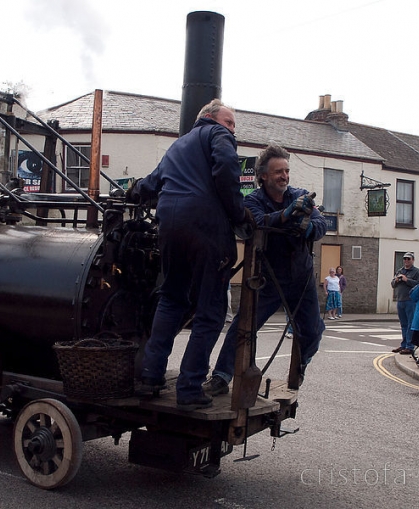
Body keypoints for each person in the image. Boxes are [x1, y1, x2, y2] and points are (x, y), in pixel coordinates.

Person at [129, 98, 249, 411]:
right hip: (205, 226)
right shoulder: (217, 136)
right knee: (210, 308)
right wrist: (238, 215)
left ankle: (150, 376)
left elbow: (150, 184)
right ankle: (190, 387)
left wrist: (132, 190)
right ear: (209, 117)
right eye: (229, 121)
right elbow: (226, 168)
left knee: (171, 298)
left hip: (170, 225)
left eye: (234, 125)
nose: (232, 130)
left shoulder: (177, 147)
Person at [209, 144, 327, 395]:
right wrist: (285, 216)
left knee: (313, 330)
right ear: (263, 176)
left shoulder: (300, 194)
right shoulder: (253, 200)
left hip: (302, 278)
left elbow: (320, 224)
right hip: (269, 279)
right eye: (278, 172)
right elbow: (257, 222)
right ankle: (221, 376)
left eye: (286, 171)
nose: (284, 176)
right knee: (243, 326)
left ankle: (302, 363)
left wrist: (307, 226)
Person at [391, 252, 419, 355]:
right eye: (405, 259)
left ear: (413, 260)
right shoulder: (400, 271)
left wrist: (407, 280)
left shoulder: (417, 272)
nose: (406, 261)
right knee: (403, 324)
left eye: (408, 259)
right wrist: (396, 280)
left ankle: (410, 346)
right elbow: (392, 284)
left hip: (410, 301)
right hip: (400, 300)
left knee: (410, 324)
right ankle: (404, 344)